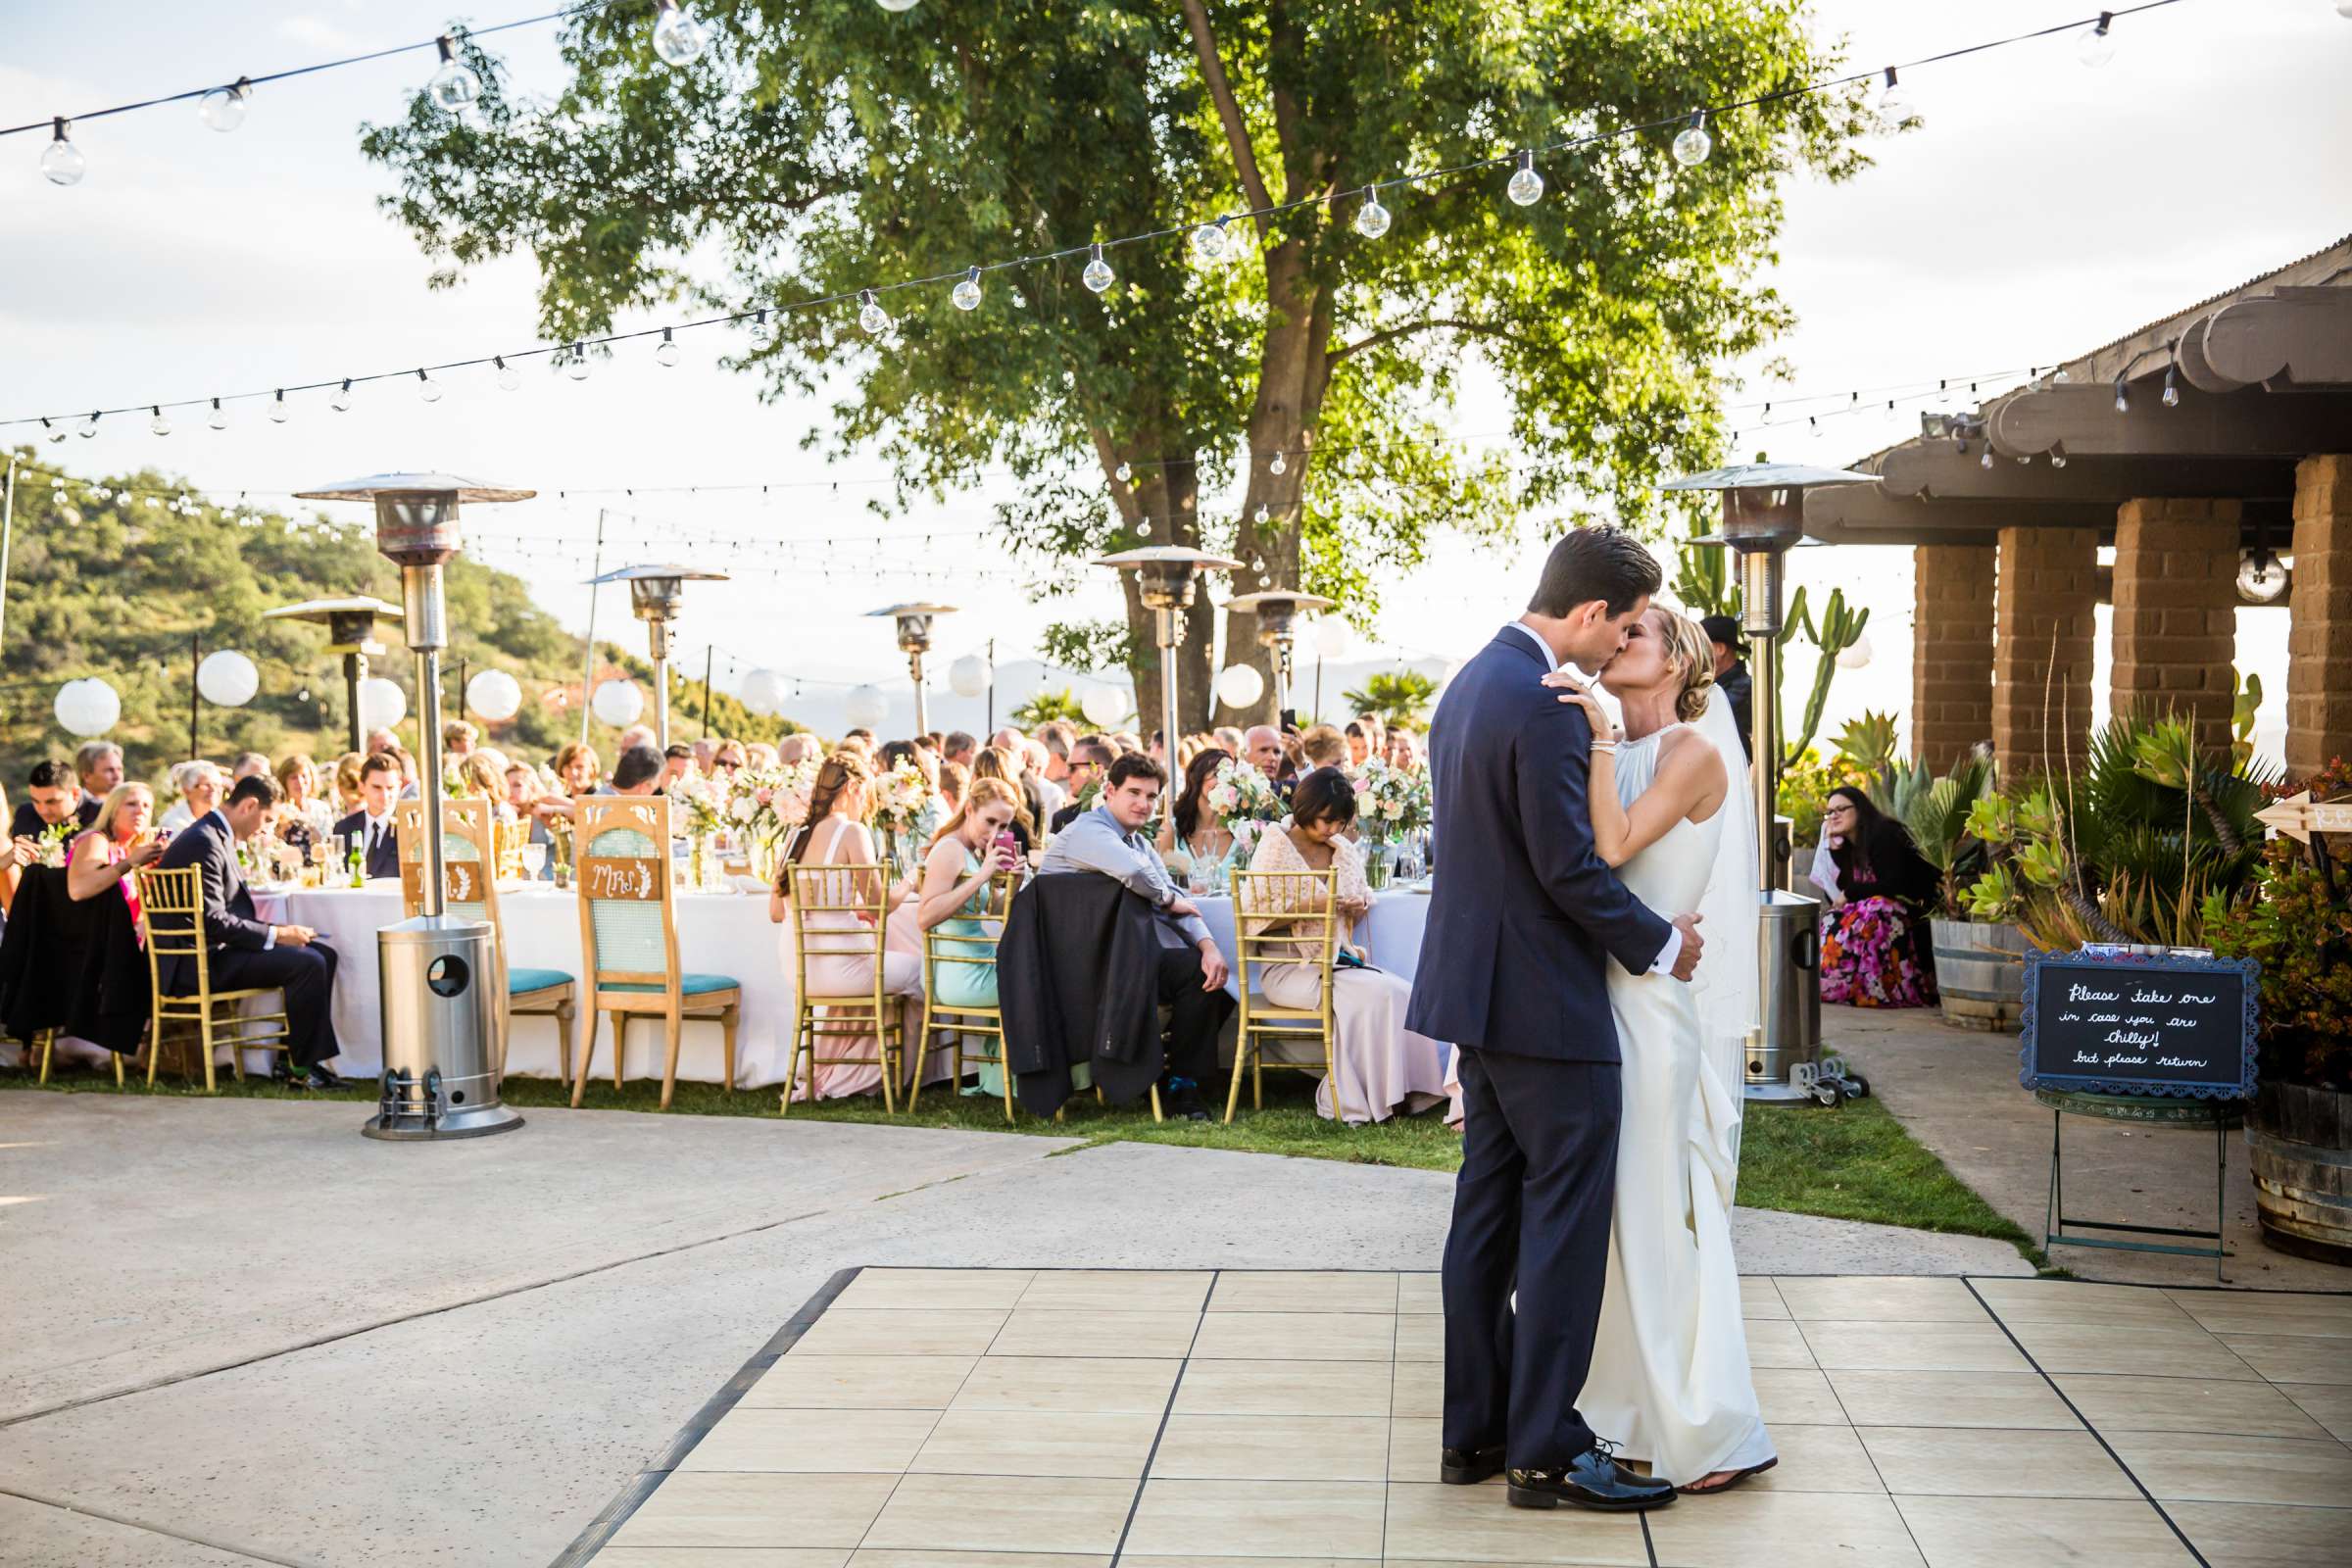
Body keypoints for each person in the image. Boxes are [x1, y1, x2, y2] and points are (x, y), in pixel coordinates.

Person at [1406, 525, 1701, 1514]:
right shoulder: (1545, 703)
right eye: (1619, 624)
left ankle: (1475, 1433)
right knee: (1565, 1223)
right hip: (1542, 1003)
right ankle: (1545, 1448)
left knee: (1484, 1219)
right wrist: (1660, 943)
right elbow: (1566, 865)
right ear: (1585, 613)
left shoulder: (1470, 682)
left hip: (1477, 1002)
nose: (1620, 643)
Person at [1544, 606, 1775, 1493]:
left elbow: (1611, 845)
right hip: (1586, 1004)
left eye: (1638, 631)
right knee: (1601, 1224)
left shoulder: (1694, 754)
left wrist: (1600, 737)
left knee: (1649, 1211)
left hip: (1647, 1014)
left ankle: (1694, 1422)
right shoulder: (1599, 746)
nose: (1619, 638)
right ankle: (1612, 1411)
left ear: (1679, 659)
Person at [1036, 753, 1233, 1121]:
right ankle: (1173, 1078)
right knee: (1194, 974)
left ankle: (1175, 1079)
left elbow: (1173, 895)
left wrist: (1208, 946)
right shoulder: (1088, 831)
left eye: (1152, 796)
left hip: (1122, 961)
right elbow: (1139, 878)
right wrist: (1169, 898)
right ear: (1110, 791)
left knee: (1213, 975)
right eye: (1134, 793)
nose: (1144, 804)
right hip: (1077, 967)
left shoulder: (1138, 843)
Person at [1246, 767, 1448, 1123]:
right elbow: (1256, 920)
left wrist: (1355, 905)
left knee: (1402, 991)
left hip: (1336, 961)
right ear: (1307, 807)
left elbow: (1350, 900)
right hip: (1289, 968)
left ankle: (1404, 1093)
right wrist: (1320, 904)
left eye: (1339, 822)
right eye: (1326, 820)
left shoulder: (1342, 850)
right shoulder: (1275, 848)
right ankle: (1357, 1099)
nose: (1331, 830)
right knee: (1376, 996)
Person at [153, 775, 342, 1088]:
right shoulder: (204, 841)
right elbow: (213, 920)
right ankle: (303, 1070)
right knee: (309, 963)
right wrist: (278, 935)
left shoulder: (213, 835)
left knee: (323, 953)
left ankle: (296, 1059)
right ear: (249, 805)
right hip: (198, 963)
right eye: (266, 819)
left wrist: (278, 932)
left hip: (214, 952)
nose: (264, 829)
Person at [768, 751, 922, 1099]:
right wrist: (913, 879)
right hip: (843, 969)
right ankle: (897, 1080)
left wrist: (837, 908)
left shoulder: (795, 836)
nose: (866, 804)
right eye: (866, 794)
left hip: (799, 968)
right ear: (853, 786)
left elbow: (777, 912)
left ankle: (845, 1068)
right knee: (920, 973)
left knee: (880, 975)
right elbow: (881, 905)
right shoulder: (852, 832)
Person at [916, 775, 1025, 1094]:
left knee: (1039, 968)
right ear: (969, 810)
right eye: (990, 822)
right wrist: (982, 876)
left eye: (1003, 827)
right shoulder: (949, 849)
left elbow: (990, 911)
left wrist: (1013, 882)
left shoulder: (972, 852)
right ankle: (1027, 1080)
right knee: (1039, 980)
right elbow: (925, 916)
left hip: (978, 963)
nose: (995, 833)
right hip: (957, 974)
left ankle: (1004, 1082)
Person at [1817, 786, 1939, 1007]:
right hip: (1885, 907)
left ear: (1860, 809)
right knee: (1834, 918)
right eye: (1829, 812)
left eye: (1841, 809)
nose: (1833, 816)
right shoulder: (1849, 846)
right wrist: (1833, 851)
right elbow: (1838, 895)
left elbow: (1894, 885)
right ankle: (1842, 985)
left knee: (1874, 909)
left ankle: (1882, 987)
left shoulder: (1885, 834)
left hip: (1914, 911)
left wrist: (1850, 893)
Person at [65, 781, 168, 925]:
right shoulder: (96, 840)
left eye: (146, 806)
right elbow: (78, 889)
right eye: (131, 804)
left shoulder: (128, 850)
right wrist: (130, 863)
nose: (140, 811)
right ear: (113, 810)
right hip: (92, 940)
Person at [331, 753, 403, 879]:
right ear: (362, 786)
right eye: (377, 787)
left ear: (400, 787)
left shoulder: (408, 829)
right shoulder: (343, 829)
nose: (384, 795)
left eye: (390, 788)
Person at [1159, 746, 1236, 865]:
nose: (1225, 781)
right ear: (1196, 778)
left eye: (1231, 775)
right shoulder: (1170, 832)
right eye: (1217, 774)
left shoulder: (1242, 833)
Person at [1697, 615, 1753, 760]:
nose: (1694, 654)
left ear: (1719, 649)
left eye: (1699, 645)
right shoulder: (1714, 687)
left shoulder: (1743, 689)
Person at [970, 747, 1040, 854]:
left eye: (1003, 826)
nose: (996, 831)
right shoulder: (1022, 814)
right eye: (991, 822)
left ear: (977, 777)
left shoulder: (979, 820)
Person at [11, 759, 91, 840]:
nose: (43, 810)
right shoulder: (25, 814)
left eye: (51, 802)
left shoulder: (99, 816)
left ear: (75, 794)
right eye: (36, 801)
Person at [272, 754, 334, 854]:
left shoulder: (322, 809)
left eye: (304, 776)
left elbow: (329, 844)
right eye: (293, 777)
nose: (300, 782)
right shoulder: (277, 810)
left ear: (312, 778)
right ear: (284, 781)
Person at [158, 760, 223, 835]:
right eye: (206, 785)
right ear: (187, 791)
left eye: (217, 785)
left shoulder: (222, 820)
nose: (213, 789)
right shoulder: (171, 823)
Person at [75, 741, 125, 816]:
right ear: (87, 776)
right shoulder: (74, 807)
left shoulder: (127, 806)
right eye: (109, 770)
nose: (117, 776)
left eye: (119, 769)